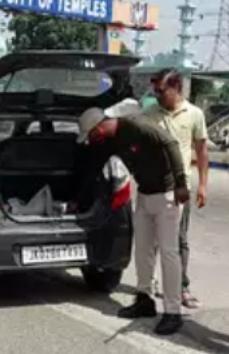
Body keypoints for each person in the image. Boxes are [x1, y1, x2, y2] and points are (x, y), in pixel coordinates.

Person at [76, 107, 190, 335]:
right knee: (143, 251)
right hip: (146, 195)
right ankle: (144, 299)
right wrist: (78, 199)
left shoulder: (136, 124)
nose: (91, 141)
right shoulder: (111, 141)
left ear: (98, 128)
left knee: (169, 253)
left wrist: (180, 183)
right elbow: (95, 169)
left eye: (91, 136)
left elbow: (171, 144)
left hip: (167, 194)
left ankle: (173, 312)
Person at [144, 69, 209, 309]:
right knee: (152, 240)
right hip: (153, 187)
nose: (158, 96)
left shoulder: (194, 114)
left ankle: (182, 286)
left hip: (180, 189)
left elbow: (202, 150)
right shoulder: (149, 113)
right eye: (155, 92)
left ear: (177, 88)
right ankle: (149, 284)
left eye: (162, 91)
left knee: (179, 240)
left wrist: (202, 184)